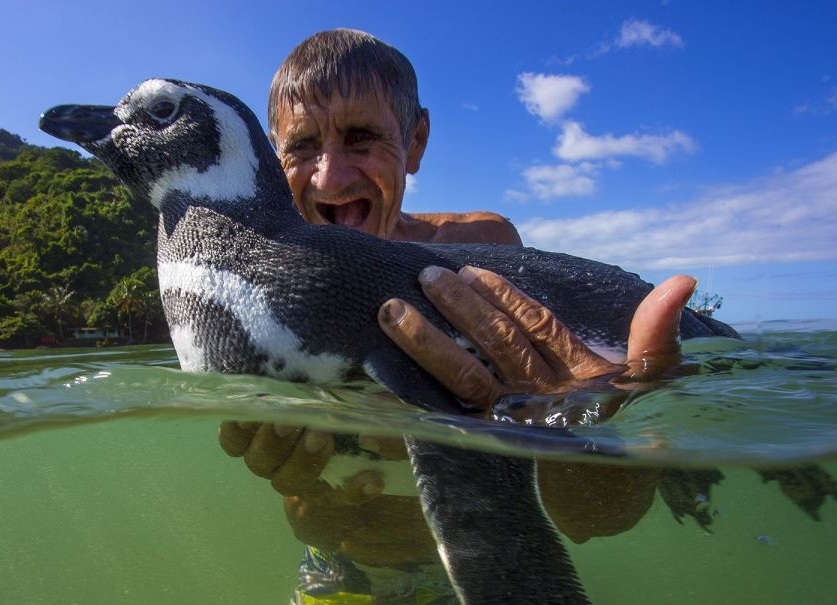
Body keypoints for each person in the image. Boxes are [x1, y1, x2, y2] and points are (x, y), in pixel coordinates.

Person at [218, 29, 694, 604]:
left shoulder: (480, 250)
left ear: (415, 141)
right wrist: (306, 487)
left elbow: (590, 516)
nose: (329, 177)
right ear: (273, 156)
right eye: (301, 146)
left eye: (361, 137)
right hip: (338, 573)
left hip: (462, 575)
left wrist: (579, 412)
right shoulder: (256, 294)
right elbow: (310, 519)